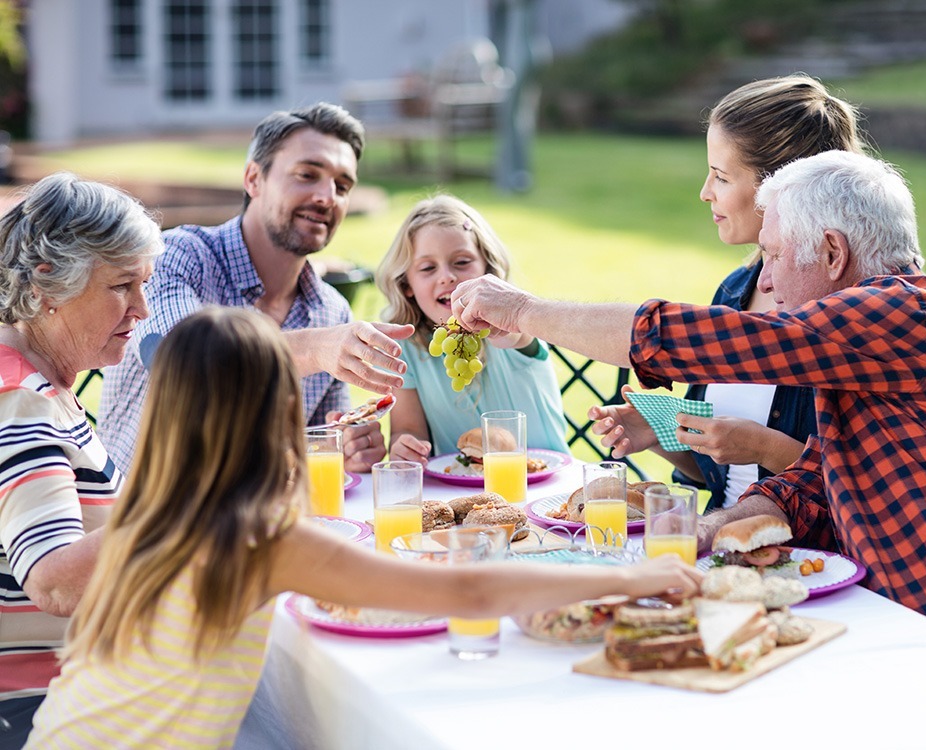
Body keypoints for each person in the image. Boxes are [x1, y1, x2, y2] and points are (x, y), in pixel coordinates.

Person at [25, 306, 700, 748]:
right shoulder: (256, 538)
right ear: (277, 406)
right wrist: (630, 573)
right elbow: (465, 594)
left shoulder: (162, 511)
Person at [450, 150, 926, 656]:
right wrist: (703, 529)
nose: (764, 280)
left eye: (771, 256)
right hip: (912, 632)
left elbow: (688, 339)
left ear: (831, 252)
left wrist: (524, 312)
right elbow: (809, 483)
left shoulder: (902, 314)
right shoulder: (869, 346)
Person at [589, 75, 869, 512]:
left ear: (780, 187)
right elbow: (721, 471)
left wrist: (764, 447)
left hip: (816, 562)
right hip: (725, 546)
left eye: (720, 176)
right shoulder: (736, 290)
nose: (704, 193)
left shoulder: (847, 314)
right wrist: (661, 433)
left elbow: (862, 488)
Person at [97, 102, 414, 475]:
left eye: (342, 185)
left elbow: (314, 453)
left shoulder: (330, 310)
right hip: (144, 518)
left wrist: (346, 450)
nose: (327, 197)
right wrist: (314, 349)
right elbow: (175, 361)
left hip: (254, 520)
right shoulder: (180, 257)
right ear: (253, 179)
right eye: (307, 174)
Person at [0, 172, 162, 747]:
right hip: (40, 714)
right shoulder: (20, 400)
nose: (142, 308)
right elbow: (55, 581)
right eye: (122, 285)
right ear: (48, 284)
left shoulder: (39, 382)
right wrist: (191, 502)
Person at [376, 194, 568, 463]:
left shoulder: (512, 325)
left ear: (488, 270)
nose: (447, 276)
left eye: (462, 262)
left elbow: (517, 334)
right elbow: (408, 431)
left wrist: (490, 314)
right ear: (407, 286)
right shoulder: (406, 349)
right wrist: (404, 446)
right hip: (461, 490)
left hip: (547, 482)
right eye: (428, 267)